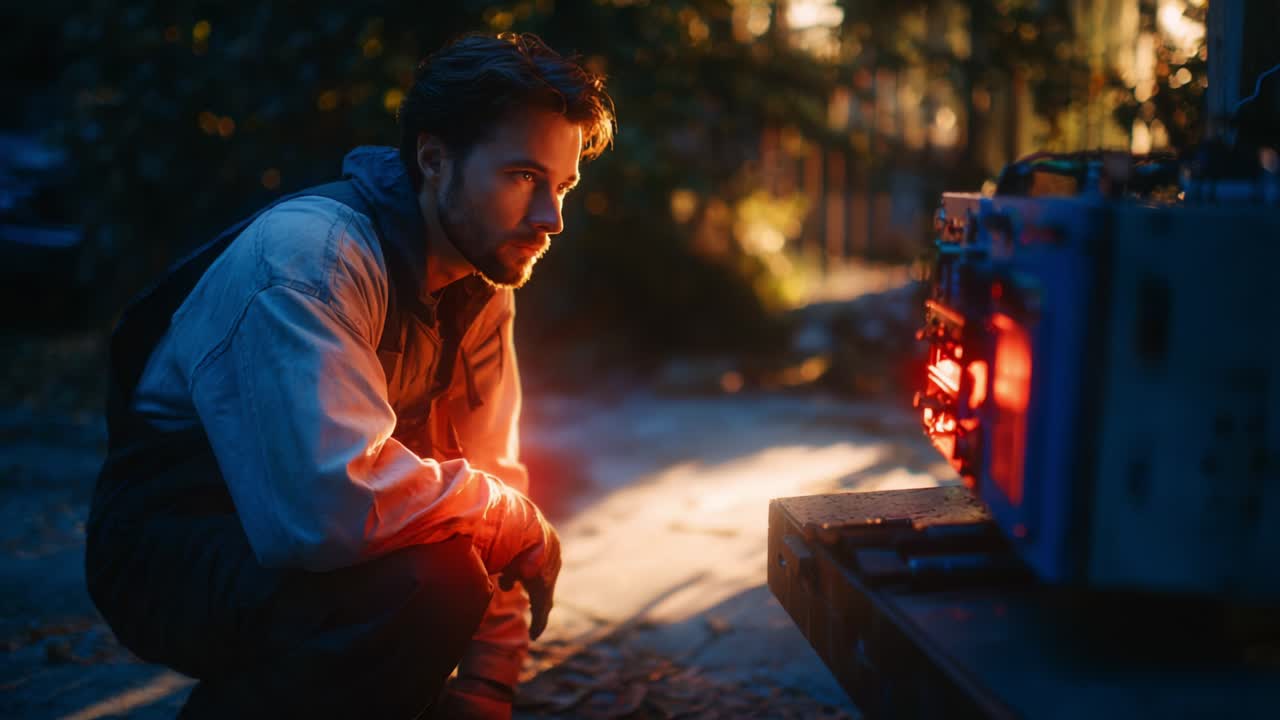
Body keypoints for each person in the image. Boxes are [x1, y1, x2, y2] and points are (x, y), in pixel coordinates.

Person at [84, 32, 615, 719]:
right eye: (522, 178)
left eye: (562, 186)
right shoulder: (312, 258)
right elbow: (326, 509)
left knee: (449, 568)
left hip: (289, 547)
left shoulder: (481, 284)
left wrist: (488, 680)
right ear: (433, 159)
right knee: (431, 585)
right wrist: (510, 520)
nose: (552, 219)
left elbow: (492, 470)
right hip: (172, 549)